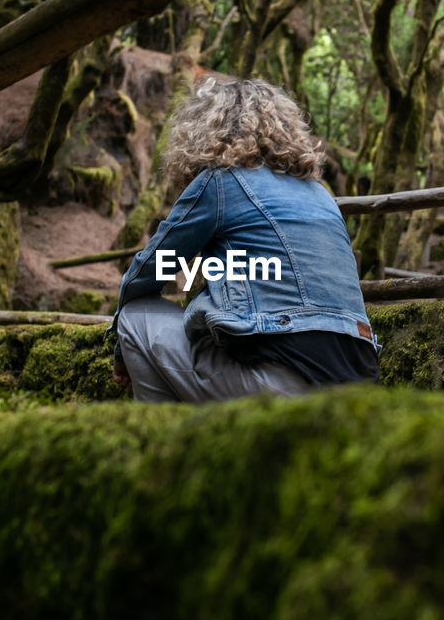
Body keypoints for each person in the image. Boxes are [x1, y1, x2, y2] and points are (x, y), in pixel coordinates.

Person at [110, 77, 379, 403]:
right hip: (358, 384)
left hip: (279, 382)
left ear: (203, 132)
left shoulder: (221, 182)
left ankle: (163, 446)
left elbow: (147, 273)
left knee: (134, 315)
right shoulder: (322, 196)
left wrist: (120, 352)